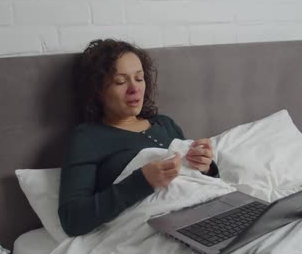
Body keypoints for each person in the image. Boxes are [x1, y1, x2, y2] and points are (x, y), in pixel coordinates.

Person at [58, 39, 219, 237]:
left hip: (211, 214)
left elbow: (192, 185)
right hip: (161, 231)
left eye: (139, 78)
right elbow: (72, 220)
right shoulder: (87, 137)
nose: (134, 89)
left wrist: (206, 167)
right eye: (120, 81)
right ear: (98, 90)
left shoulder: (165, 124)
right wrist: (143, 182)